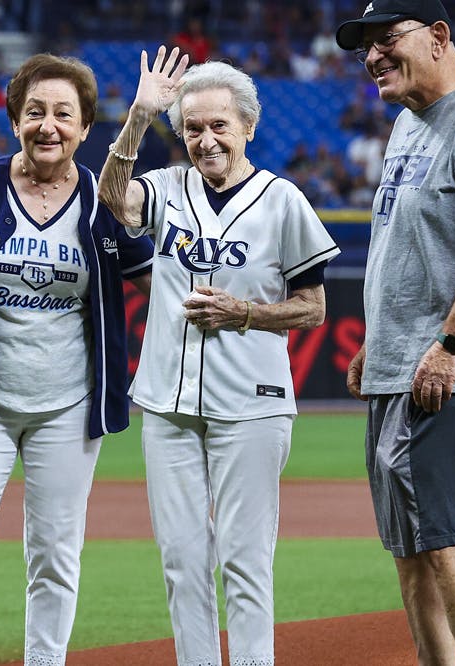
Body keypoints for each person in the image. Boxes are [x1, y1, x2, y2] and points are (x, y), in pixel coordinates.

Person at [0, 53, 155, 666]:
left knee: (55, 553)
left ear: (85, 126)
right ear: (15, 118)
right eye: (35, 112)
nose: (49, 126)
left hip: (68, 409)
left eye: (63, 115)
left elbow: (157, 283)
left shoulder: (103, 203)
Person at [98, 47, 340, 666]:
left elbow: (313, 308)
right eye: (193, 128)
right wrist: (139, 115)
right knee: (182, 562)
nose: (206, 140)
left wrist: (248, 314)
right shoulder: (166, 186)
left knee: (245, 560)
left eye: (219, 126)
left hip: (252, 405)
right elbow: (110, 203)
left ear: (248, 128)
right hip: (166, 400)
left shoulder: (282, 200)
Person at [335, 1, 455, 664]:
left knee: (447, 539)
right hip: (398, 364)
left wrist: (451, 347)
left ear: (438, 36)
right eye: (365, 46)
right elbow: (414, 248)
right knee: (409, 552)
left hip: (443, 374)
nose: (372, 57)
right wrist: (377, 340)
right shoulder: (408, 125)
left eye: (387, 39)